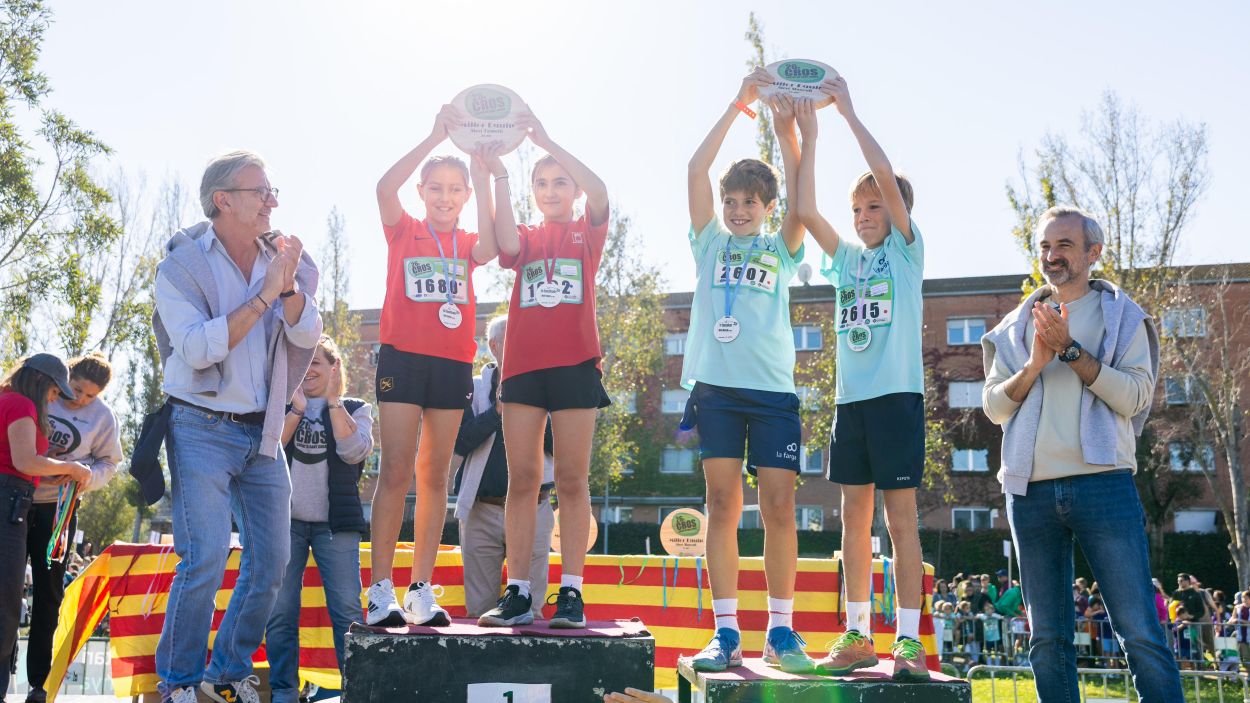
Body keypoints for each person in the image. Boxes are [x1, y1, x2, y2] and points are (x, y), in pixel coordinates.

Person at [981, 205, 1182, 701]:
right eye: (1046, 246)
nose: (1052, 256)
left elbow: (1135, 398)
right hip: (1029, 493)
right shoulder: (1014, 325)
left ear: (1093, 252)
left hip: (1103, 485)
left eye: (1064, 245)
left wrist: (1069, 351)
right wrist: (1033, 365)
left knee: (1139, 632)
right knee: (1047, 640)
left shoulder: (1125, 318)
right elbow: (992, 407)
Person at [152, 150, 323, 703]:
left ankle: (224, 674)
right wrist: (266, 293)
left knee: (271, 563)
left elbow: (306, 336)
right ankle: (177, 683)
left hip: (264, 432)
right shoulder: (181, 267)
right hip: (199, 426)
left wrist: (289, 286)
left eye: (274, 191)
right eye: (262, 191)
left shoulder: (285, 261)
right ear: (223, 200)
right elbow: (199, 350)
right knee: (202, 557)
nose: (274, 201)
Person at [794, 76, 929, 680]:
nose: (865, 216)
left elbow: (881, 167)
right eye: (858, 209)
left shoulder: (905, 250)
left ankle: (906, 642)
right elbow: (802, 210)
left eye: (875, 206)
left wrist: (847, 112)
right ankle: (855, 634)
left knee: (900, 522)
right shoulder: (847, 259)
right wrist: (804, 133)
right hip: (852, 405)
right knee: (851, 521)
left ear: (897, 212)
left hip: (897, 399)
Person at [677, 70, 809, 675]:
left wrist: (790, 137)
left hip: (774, 392)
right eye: (731, 202)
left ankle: (781, 631)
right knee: (723, 504)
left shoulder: (781, 247)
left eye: (748, 203)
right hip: (718, 391)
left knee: (779, 508)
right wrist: (738, 104)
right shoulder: (707, 242)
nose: (735, 210)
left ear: (767, 207)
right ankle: (725, 631)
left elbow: (802, 200)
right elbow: (694, 170)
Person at [476, 109, 611, 630]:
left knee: (573, 480)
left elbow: (600, 191)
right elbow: (504, 244)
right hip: (524, 370)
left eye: (560, 183)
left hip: (576, 366)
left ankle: (572, 593)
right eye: (542, 183)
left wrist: (549, 141)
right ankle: (518, 591)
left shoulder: (587, 232)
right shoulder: (529, 239)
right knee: (524, 479)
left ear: (572, 190)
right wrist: (504, 176)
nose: (551, 190)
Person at [366, 108, 501, 627]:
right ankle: (381, 591)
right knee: (396, 471)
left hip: (451, 364)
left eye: (455, 190)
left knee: (435, 476)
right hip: (403, 359)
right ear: (422, 192)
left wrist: (484, 175)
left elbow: (492, 244)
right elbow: (383, 186)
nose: (445, 198)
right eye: (436, 188)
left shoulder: (466, 244)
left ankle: (421, 589)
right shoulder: (404, 230)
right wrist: (432, 138)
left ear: (464, 196)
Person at [265, 335, 373, 703]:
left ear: (333, 367)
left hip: (335, 525)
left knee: (347, 612)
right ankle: (283, 691)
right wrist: (295, 410)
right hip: (284, 523)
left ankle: (355, 691)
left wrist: (333, 402)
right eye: (303, 362)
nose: (308, 370)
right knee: (280, 612)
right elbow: (267, 451)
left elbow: (355, 452)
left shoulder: (356, 408)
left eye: (316, 363)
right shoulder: (279, 403)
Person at [20, 352, 123, 703]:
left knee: (49, 595)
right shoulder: (44, 396)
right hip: (18, 500)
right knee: (7, 588)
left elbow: (109, 463)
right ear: (67, 379)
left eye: (90, 396)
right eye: (76, 389)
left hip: (58, 511)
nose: (80, 399)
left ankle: (38, 683)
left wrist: (86, 477)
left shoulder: (103, 418)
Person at [0, 354, 92, 703]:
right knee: (7, 604)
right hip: (9, 503)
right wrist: (73, 469)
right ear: (40, 382)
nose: (54, 400)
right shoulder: (22, 405)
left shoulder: (4, 398)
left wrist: (57, 472)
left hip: (14, 496)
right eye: (55, 391)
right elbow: (25, 461)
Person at [453, 315, 555, 620]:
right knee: (480, 612)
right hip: (481, 511)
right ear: (493, 346)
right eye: (514, 337)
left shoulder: (548, 389)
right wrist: (498, 410)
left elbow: (560, 447)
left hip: (535, 509)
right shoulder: (471, 388)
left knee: (531, 613)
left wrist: (530, 407)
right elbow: (458, 441)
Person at [1173, 573, 1213, 664]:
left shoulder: (1195, 594)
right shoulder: (1176, 593)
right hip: (1179, 624)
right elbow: (1171, 607)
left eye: (1181, 581)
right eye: (1178, 581)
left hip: (1193, 624)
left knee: (1196, 645)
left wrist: (1192, 616)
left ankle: (1200, 667)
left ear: (1187, 581)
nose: (1179, 582)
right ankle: (1181, 669)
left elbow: (1201, 611)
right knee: (1179, 646)